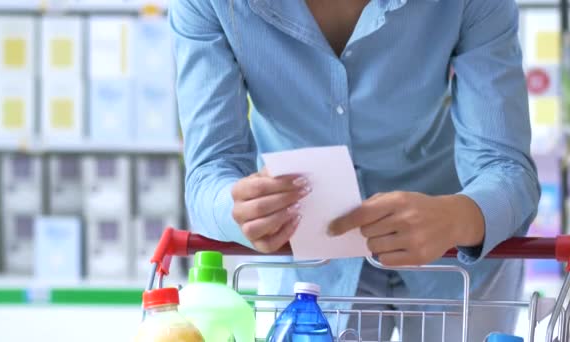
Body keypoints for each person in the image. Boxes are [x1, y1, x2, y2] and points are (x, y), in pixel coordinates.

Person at [169, 0, 540, 341]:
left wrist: (459, 217)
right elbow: (208, 173)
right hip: (309, 265)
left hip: (451, 253)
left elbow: (507, 168)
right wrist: (239, 211)